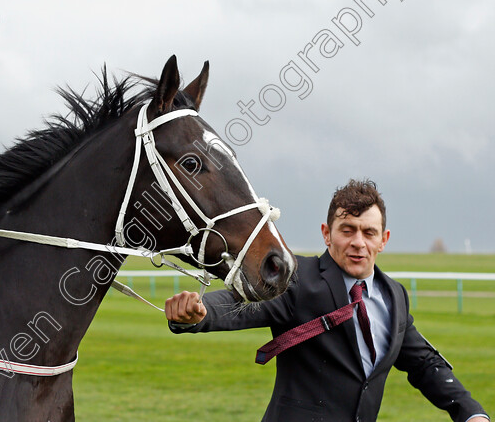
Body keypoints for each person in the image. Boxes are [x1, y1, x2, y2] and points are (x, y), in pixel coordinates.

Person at [165, 179, 488, 422]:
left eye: (368, 232)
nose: (357, 243)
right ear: (326, 234)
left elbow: (424, 364)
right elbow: (242, 304)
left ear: (383, 240)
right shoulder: (298, 277)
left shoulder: (395, 297)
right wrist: (200, 313)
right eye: (347, 230)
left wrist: (471, 413)